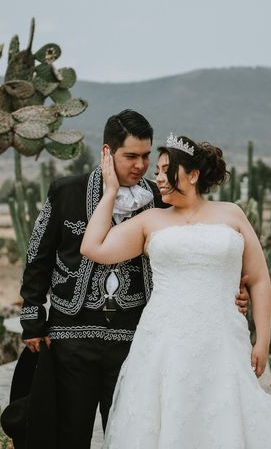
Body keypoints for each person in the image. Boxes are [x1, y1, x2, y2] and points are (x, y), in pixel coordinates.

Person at [18, 110, 249, 448]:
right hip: (71, 334)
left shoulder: (161, 198)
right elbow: (38, 254)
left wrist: (232, 291)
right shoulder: (66, 191)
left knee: (130, 435)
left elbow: (194, 246)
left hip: (134, 337)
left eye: (145, 156)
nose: (141, 165)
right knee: (68, 434)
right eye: (131, 156)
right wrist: (33, 319)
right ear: (108, 152)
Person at [81, 133, 271, 448]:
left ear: (192, 175)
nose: (158, 179)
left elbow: (259, 279)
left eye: (167, 171)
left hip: (224, 339)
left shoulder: (232, 214)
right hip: (165, 341)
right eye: (158, 172)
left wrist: (263, 340)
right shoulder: (150, 221)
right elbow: (93, 247)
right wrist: (110, 191)